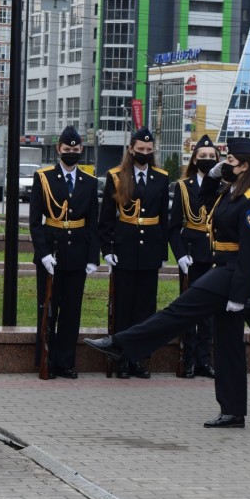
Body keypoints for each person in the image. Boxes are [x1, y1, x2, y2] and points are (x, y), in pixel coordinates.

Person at [85, 137, 250, 428]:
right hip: (224, 271)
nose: (225, 164)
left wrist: (239, 294)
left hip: (230, 274)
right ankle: (233, 412)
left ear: (245, 167)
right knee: (230, 346)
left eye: (231, 162)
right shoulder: (229, 193)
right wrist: (217, 173)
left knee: (179, 311)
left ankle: (121, 344)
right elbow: (205, 198)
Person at [98, 127, 170, 379]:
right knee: (123, 308)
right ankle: (122, 359)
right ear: (131, 149)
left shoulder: (161, 177)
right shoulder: (116, 176)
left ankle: (139, 359)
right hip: (124, 249)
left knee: (146, 309)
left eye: (149, 151)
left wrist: (163, 251)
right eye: (140, 150)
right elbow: (106, 218)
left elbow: (163, 218)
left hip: (150, 250)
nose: (145, 154)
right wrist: (107, 249)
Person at [30, 125, 100, 379]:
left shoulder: (90, 182)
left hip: (78, 254)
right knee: (48, 307)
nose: (71, 152)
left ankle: (66, 361)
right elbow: (35, 220)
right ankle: (44, 358)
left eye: (76, 149)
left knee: (72, 310)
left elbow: (93, 222)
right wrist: (44, 252)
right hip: (52, 252)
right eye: (67, 149)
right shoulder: (44, 177)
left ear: (82, 150)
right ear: (58, 149)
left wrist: (93, 257)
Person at [169, 134, 220, 378]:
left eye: (212, 157)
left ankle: (204, 360)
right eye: (203, 157)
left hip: (213, 255)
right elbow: (174, 225)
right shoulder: (183, 186)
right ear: (194, 159)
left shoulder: (223, 187)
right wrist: (179, 255)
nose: (207, 160)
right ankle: (187, 360)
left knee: (209, 313)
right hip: (190, 256)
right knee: (188, 310)